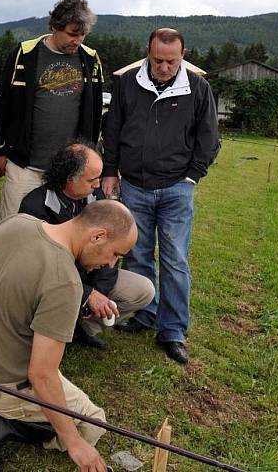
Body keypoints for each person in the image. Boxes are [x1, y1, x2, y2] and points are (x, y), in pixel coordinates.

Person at [0, 200, 137, 472]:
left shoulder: (18, 222)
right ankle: (0, 423)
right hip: (0, 385)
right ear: (98, 236)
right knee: (92, 423)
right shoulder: (65, 281)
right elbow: (42, 375)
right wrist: (74, 442)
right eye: (115, 253)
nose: (110, 264)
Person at [101, 28, 219, 365]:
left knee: (176, 261)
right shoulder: (127, 85)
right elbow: (113, 129)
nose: (164, 67)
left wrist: (193, 175)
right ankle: (144, 314)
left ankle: (173, 330)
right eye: (157, 60)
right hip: (135, 186)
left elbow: (209, 137)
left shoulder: (197, 88)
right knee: (137, 254)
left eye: (171, 61)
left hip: (176, 189)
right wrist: (110, 170)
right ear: (147, 54)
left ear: (182, 56)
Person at [19, 141, 154, 349]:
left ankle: (80, 330)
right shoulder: (34, 206)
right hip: (53, 286)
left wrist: (97, 293)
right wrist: (86, 294)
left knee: (143, 289)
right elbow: (39, 271)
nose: (98, 185)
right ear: (69, 179)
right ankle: (49, 332)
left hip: (89, 281)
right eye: (92, 179)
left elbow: (112, 253)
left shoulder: (96, 198)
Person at [0, 0, 104, 220]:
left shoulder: (91, 59)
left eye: (82, 35)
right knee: (13, 226)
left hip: (70, 171)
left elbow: (94, 113)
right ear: (54, 26)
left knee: (63, 231)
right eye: (72, 34)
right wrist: (1, 150)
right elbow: (4, 104)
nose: (77, 40)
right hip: (25, 164)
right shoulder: (25, 53)